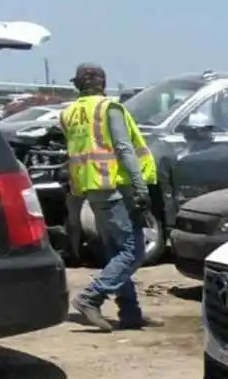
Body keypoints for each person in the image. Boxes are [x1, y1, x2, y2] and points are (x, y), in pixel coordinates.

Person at [60, 64, 157, 331]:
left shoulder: (69, 113)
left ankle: (130, 313)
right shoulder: (108, 108)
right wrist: (141, 188)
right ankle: (91, 297)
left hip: (91, 187)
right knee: (133, 250)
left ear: (77, 85)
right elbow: (125, 149)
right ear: (103, 83)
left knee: (117, 251)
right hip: (115, 187)